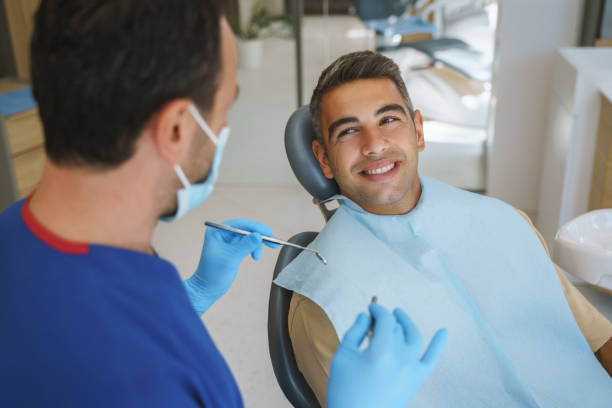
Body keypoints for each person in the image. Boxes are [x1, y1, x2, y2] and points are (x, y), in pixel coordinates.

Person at [0, 2, 448, 407]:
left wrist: (190, 295)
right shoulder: (147, 383)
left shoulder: (22, 233)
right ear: (177, 129)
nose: (225, 125)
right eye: (223, 108)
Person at [274, 51, 612, 407]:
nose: (374, 145)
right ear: (324, 158)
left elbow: (601, 340)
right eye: (349, 130)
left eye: (388, 119)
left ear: (418, 130)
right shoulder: (323, 305)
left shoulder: (508, 222)